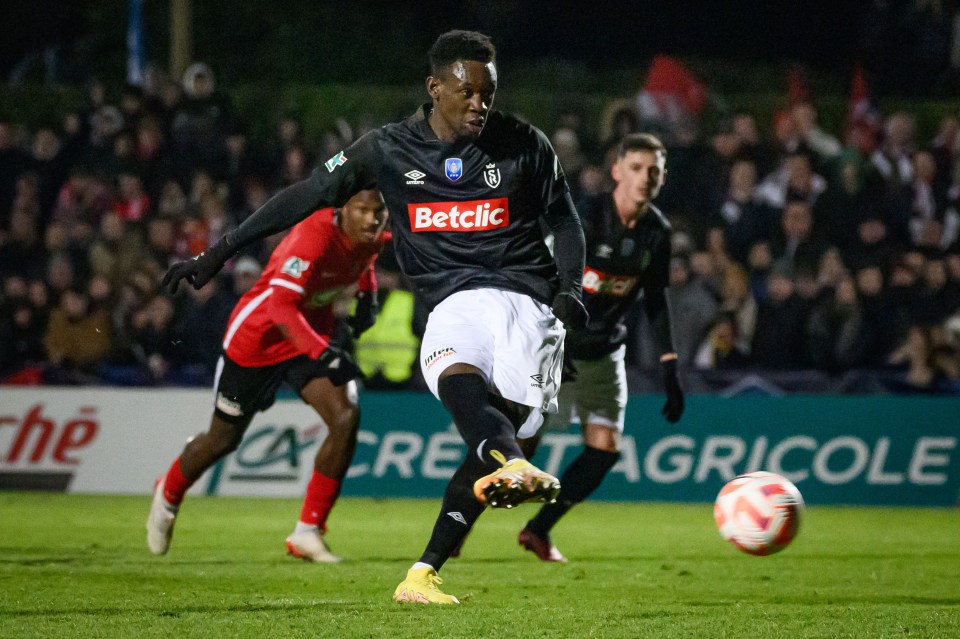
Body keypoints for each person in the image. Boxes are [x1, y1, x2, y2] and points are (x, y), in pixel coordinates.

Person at [161, 30, 588, 604]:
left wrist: (571, 291)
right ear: (434, 88)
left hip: (528, 302)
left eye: (488, 93)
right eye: (467, 92)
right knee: (453, 371)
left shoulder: (526, 144)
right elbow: (307, 194)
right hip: (453, 301)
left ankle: (429, 563)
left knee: (515, 431)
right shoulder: (386, 148)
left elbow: (566, 222)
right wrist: (217, 252)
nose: (479, 104)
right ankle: (497, 471)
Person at [147, 188, 389, 563]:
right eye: (363, 210)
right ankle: (168, 492)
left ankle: (307, 531)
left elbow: (366, 261)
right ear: (342, 210)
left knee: (345, 415)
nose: (373, 219)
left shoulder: (370, 236)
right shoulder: (313, 236)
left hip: (307, 337)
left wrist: (368, 297)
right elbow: (279, 307)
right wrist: (325, 353)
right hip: (257, 342)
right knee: (222, 440)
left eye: (380, 211)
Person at [516, 133, 684, 562]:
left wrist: (669, 367)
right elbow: (543, 277)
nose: (645, 177)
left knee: (604, 450)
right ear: (616, 171)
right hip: (556, 346)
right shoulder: (585, 216)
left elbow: (655, 299)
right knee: (523, 447)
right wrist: (551, 342)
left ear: (663, 178)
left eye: (654, 171)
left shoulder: (657, 233)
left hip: (605, 352)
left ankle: (538, 530)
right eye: (636, 168)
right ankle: (461, 521)